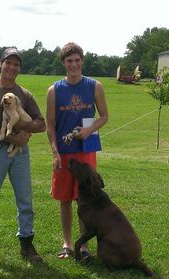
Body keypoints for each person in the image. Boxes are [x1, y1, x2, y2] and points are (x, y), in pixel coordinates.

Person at [0, 47, 46, 265]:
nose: (12, 67)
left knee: (25, 200)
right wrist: (14, 138)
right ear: (0, 64)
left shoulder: (24, 94)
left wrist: (22, 127)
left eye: (16, 64)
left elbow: (40, 124)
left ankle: (27, 243)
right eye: (8, 62)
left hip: (21, 154)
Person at [46, 42, 108, 259]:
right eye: (69, 61)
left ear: (82, 61)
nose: (73, 64)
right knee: (64, 199)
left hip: (86, 150)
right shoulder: (54, 90)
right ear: (63, 63)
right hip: (64, 152)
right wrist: (55, 152)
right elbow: (50, 125)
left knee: (86, 197)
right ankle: (66, 242)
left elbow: (104, 117)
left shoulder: (95, 86)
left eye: (77, 60)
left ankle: (83, 245)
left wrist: (89, 130)